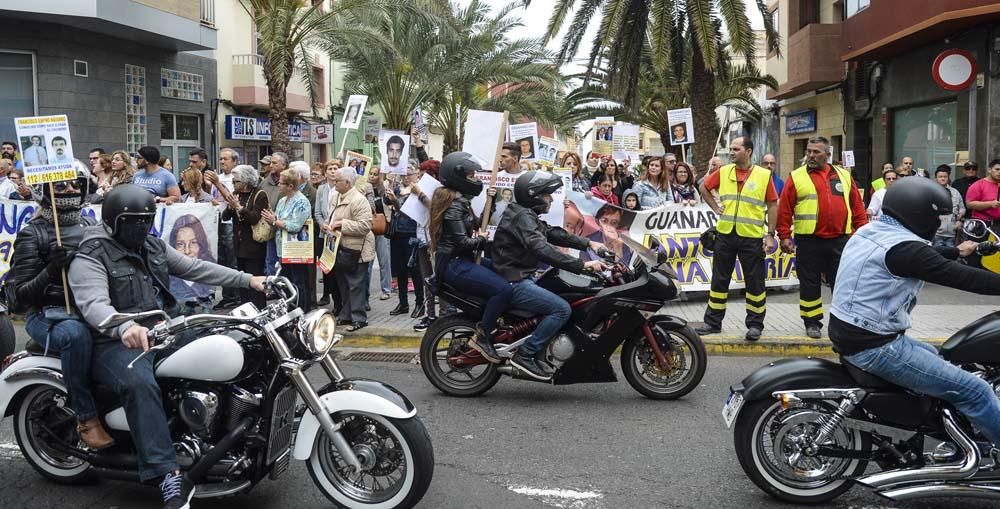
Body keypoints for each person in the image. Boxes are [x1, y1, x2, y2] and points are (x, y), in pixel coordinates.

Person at [69, 184, 266, 508]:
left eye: (146, 220)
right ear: (114, 220)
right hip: (112, 342)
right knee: (139, 383)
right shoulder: (92, 254)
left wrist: (249, 279)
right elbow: (94, 305)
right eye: (132, 222)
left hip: (161, 331)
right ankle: (167, 474)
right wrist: (124, 325)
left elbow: (195, 267)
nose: (140, 228)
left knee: (225, 341)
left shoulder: (152, 246)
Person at [830, 176, 1000, 454]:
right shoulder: (906, 250)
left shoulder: (871, 231)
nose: (938, 225)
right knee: (976, 390)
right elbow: (963, 278)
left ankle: (959, 439)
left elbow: (923, 255)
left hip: (856, 334)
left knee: (948, 362)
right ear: (918, 214)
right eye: (937, 218)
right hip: (876, 346)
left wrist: (956, 250)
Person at [10, 165, 112, 450]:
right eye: (61, 186)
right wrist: (52, 270)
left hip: (92, 309)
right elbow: (19, 298)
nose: (70, 190)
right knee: (75, 335)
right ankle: (86, 418)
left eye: (75, 184)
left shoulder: (94, 228)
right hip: (48, 315)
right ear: (45, 192)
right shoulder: (34, 234)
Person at [492, 171, 609, 379]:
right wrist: (584, 265)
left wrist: (590, 243)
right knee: (561, 309)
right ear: (534, 196)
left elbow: (553, 233)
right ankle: (526, 354)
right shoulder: (522, 217)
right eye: (547, 195)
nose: (551, 199)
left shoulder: (525, 215)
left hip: (517, 275)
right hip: (515, 280)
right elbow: (543, 249)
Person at [776, 136, 868, 339]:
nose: (810, 155)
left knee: (843, 283)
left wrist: (863, 233)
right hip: (809, 240)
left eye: (816, 152)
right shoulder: (797, 176)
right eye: (808, 151)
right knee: (809, 283)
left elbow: (857, 207)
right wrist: (784, 236)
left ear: (827, 153)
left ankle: (841, 323)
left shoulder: (844, 176)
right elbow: (784, 209)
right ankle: (812, 323)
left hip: (840, 240)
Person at [429, 152, 513, 360]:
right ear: (458, 176)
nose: (475, 179)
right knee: (502, 290)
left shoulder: (459, 201)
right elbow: (463, 242)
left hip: (462, 259)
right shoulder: (453, 204)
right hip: (454, 264)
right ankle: (483, 336)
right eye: (471, 175)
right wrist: (482, 239)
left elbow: (477, 224)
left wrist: (490, 201)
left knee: (505, 269)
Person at [696, 137, 778, 341]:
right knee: (719, 279)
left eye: (735, 149)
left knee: (755, 282)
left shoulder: (763, 175)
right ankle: (713, 322)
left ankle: (755, 325)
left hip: (751, 237)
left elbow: (772, 205)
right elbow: (703, 188)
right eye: (730, 148)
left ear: (748, 151)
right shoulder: (724, 172)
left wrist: (770, 235)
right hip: (725, 234)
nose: (731, 152)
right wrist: (716, 207)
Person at [326, 167, 375, 330]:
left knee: (356, 285)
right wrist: (327, 225)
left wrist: (342, 224)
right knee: (343, 284)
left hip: (357, 250)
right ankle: (346, 315)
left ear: (347, 183)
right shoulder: (335, 196)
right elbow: (331, 216)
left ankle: (359, 318)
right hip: (339, 248)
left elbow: (365, 226)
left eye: (337, 180)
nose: (334, 183)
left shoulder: (359, 200)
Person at [261, 168, 312, 312]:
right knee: (286, 280)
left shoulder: (302, 201)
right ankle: (290, 307)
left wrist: (275, 221)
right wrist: (272, 219)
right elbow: (277, 219)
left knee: (298, 280)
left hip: (296, 248)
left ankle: (302, 308)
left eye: (281, 183)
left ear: (290, 186)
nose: (278, 186)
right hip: (282, 246)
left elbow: (295, 225)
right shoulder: (283, 200)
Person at [222, 165, 268, 310]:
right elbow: (225, 216)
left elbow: (254, 218)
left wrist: (239, 208)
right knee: (242, 280)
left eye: (236, 181)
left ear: (246, 181)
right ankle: (245, 309)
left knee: (255, 279)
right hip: (239, 244)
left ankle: (259, 309)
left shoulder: (259, 195)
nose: (233, 184)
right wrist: (230, 206)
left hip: (254, 245)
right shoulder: (236, 194)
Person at [384, 160, 426, 318]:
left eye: (409, 173)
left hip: (412, 234)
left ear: (417, 173)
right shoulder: (397, 186)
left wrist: (395, 200)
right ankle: (403, 303)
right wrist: (388, 183)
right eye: (404, 173)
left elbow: (407, 209)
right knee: (400, 269)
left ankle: (420, 303)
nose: (406, 176)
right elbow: (387, 200)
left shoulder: (419, 190)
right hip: (397, 233)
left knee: (414, 270)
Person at [206, 148, 241, 309]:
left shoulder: (237, 177)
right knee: (221, 261)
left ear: (234, 161)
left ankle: (235, 295)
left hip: (231, 223)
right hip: (217, 220)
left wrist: (217, 184)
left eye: (225, 159)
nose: (222, 162)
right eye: (220, 159)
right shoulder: (217, 178)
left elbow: (231, 199)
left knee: (232, 260)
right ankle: (227, 295)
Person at [413, 159, 445, 332]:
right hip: (422, 240)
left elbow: (435, 210)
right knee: (426, 280)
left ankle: (444, 316)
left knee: (439, 280)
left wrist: (420, 195)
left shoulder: (440, 191)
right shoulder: (421, 187)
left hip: (435, 243)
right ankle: (430, 315)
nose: (419, 175)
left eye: (422, 172)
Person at [168, 215, 218, 315]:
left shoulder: (207, 267)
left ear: (201, 243)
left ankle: (206, 303)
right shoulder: (171, 275)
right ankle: (189, 303)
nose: (187, 251)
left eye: (193, 243)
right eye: (180, 244)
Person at [314, 160, 342, 307]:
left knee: (338, 268)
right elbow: (317, 212)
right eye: (329, 168)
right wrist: (322, 224)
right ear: (325, 173)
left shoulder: (342, 188)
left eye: (335, 168)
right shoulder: (321, 189)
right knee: (326, 267)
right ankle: (326, 294)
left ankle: (339, 300)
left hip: (339, 233)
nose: (332, 171)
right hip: (324, 234)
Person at [366, 165, 393, 301]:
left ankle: (386, 289)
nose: (372, 176)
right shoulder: (364, 188)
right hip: (368, 229)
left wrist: (387, 182)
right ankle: (366, 292)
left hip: (383, 227)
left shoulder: (384, 188)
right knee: (368, 261)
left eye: (375, 174)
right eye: (370, 173)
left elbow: (388, 200)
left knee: (384, 260)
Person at [261, 152, 288, 275]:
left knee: (284, 264)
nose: (271, 165)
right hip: (268, 228)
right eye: (270, 162)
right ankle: (272, 291)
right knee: (270, 262)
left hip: (284, 229)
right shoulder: (265, 182)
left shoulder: (290, 182)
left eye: (274, 163)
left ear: (284, 165)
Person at [934, 165, 965, 248]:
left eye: (945, 177)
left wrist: (960, 216)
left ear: (948, 178)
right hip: (936, 233)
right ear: (936, 178)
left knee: (951, 256)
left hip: (952, 232)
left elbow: (962, 207)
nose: (943, 179)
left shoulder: (955, 192)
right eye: (940, 177)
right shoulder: (931, 191)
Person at [965, 159, 1000, 227]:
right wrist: (990, 204)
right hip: (983, 223)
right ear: (989, 170)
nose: (999, 172)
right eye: (997, 169)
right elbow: (969, 204)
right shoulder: (978, 184)